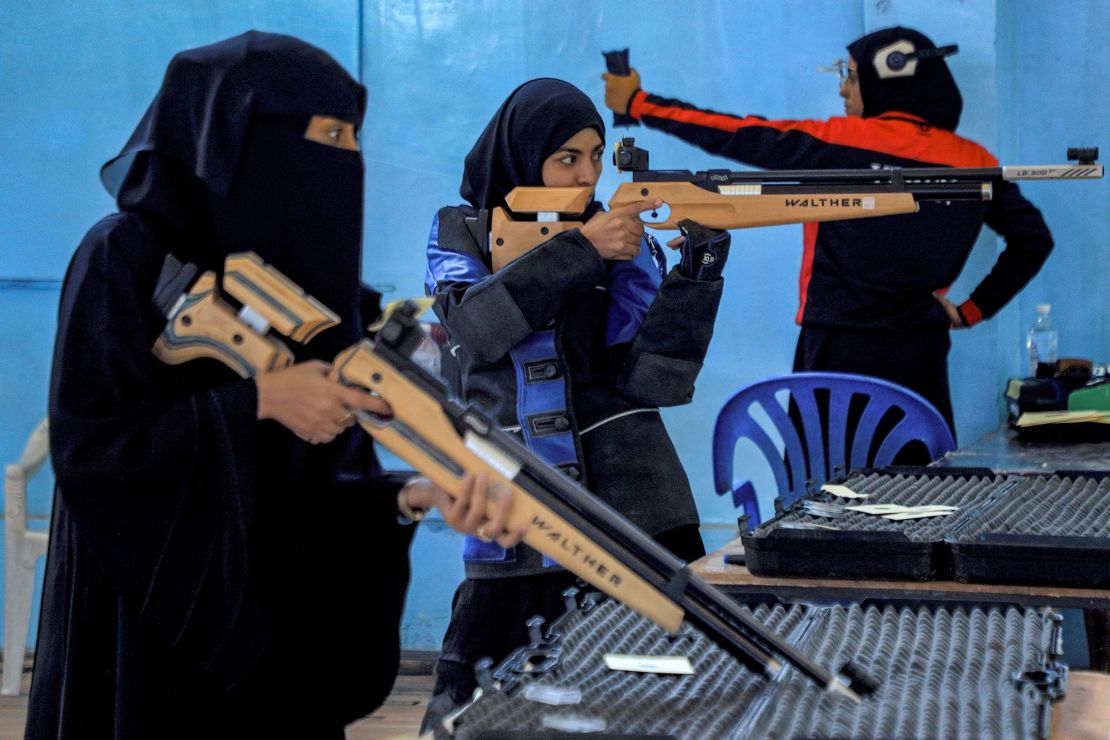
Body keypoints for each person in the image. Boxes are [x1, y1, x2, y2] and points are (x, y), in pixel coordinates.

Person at [27, 31, 519, 739]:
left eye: (354, 137)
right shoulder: (125, 257)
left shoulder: (304, 286)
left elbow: (316, 503)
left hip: (274, 649)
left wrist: (415, 496)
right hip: (144, 648)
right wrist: (258, 403)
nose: (345, 159)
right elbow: (93, 453)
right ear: (236, 138)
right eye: (326, 135)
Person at [421, 78, 730, 729]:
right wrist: (581, 251)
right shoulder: (464, 230)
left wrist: (696, 274)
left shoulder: (619, 236)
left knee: (671, 683)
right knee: (477, 689)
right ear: (522, 156)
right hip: (515, 491)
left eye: (596, 156)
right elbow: (477, 330)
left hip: (634, 488)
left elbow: (654, 382)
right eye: (568, 158)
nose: (587, 175)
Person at [603, 26, 1054, 434]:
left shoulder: (842, 140)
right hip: (922, 350)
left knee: (817, 487)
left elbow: (736, 132)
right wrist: (970, 311)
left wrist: (639, 104)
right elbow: (1033, 239)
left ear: (887, 79)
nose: (842, 88)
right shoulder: (972, 161)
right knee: (922, 484)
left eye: (852, 76)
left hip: (835, 346)